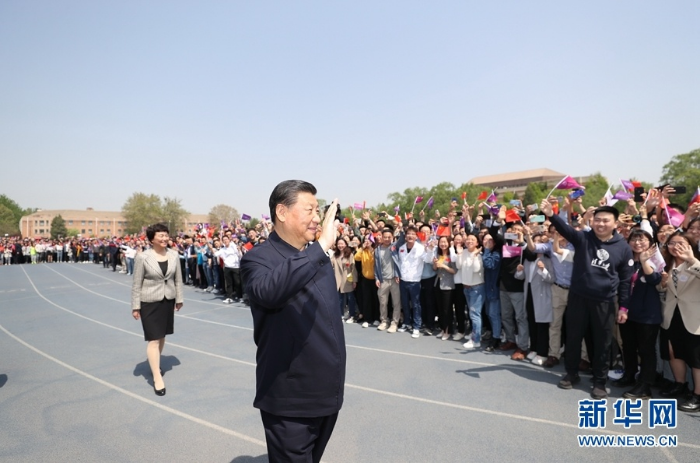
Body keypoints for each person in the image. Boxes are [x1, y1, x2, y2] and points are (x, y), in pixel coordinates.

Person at [240, 180, 346, 463]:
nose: (317, 218)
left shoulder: (316, 256)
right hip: (291, 400)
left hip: (327, 393)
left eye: (318, 211)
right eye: (309, 210)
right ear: (282, 212)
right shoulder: (258, 259)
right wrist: (320, 247)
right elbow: (269, 292)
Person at [540, 200, 633, 399]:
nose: (600, 224)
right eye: (597, 220)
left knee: (602, 342)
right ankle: (571, 374)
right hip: (578, 298)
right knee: (573, 337)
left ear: (615, 223)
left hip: (605, 301)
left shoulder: (623, 248)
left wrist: (624, 307)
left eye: (605, 220)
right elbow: (565, 229)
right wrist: (551, 214)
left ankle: (599, 381)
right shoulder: (583, 238)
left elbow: (625, 280)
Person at [131, 223, 183, 396]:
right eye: (161, 235)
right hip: (149, 302)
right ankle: (157, 377)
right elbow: (136, 283)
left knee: (161, 336)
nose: (165, 238)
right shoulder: (143, 257)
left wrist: (179, 298)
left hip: (168, 300)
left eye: (166, 235)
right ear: (152, 239)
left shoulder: (174, 255)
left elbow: (178, 279)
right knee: (153, 339)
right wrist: (135, 306)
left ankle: (155, 362)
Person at [659, 231, 700, 412]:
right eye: (672, 243)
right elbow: (661, 290)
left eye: (681, 243)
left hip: (693, 316)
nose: (676, 247)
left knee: (696, 357)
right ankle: (680, 384)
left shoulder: (695, 263)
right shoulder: (665, 264)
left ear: (690, 245)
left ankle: (698, 395)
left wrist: (691, 260)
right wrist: (662, 284)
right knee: (673, 352)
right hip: (671, 314)